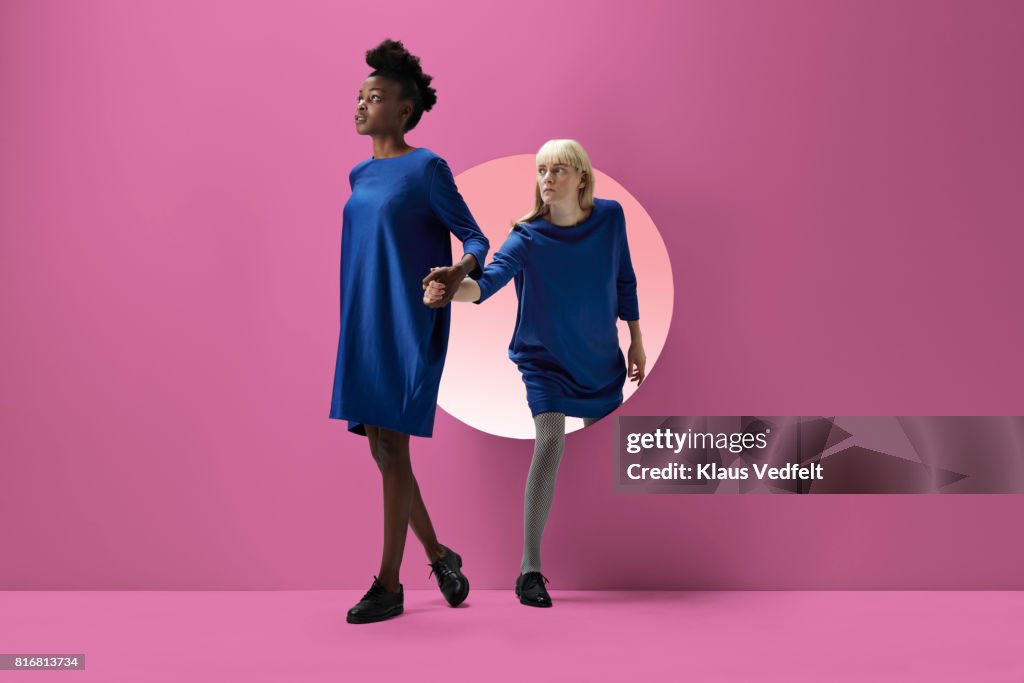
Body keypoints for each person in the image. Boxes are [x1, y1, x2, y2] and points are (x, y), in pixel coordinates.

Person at [423, 139, 646, 607]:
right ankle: (529, 571)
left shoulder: (610, 218)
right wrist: (451, 290)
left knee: (606, 449)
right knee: (550, 441)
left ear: (581, 177)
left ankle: (616, 556)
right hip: (543, 361)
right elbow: (488, 283)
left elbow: (625, 278)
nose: (547, 179)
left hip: (599, 358)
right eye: (542, 170)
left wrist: (637, 340)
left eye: (559, 170)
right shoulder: (526, 235)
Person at [331, 39, 489, 624]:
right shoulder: (358, 173)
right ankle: (441, 555)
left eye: (374, 97)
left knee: (392, 448)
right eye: (359, 96)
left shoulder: (427, 169)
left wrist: (457, 271)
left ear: (403, 110)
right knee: (383, 452)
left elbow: (475, 238)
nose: (361, 105)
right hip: (363, 324)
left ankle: (389, 586)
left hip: (408, 321)